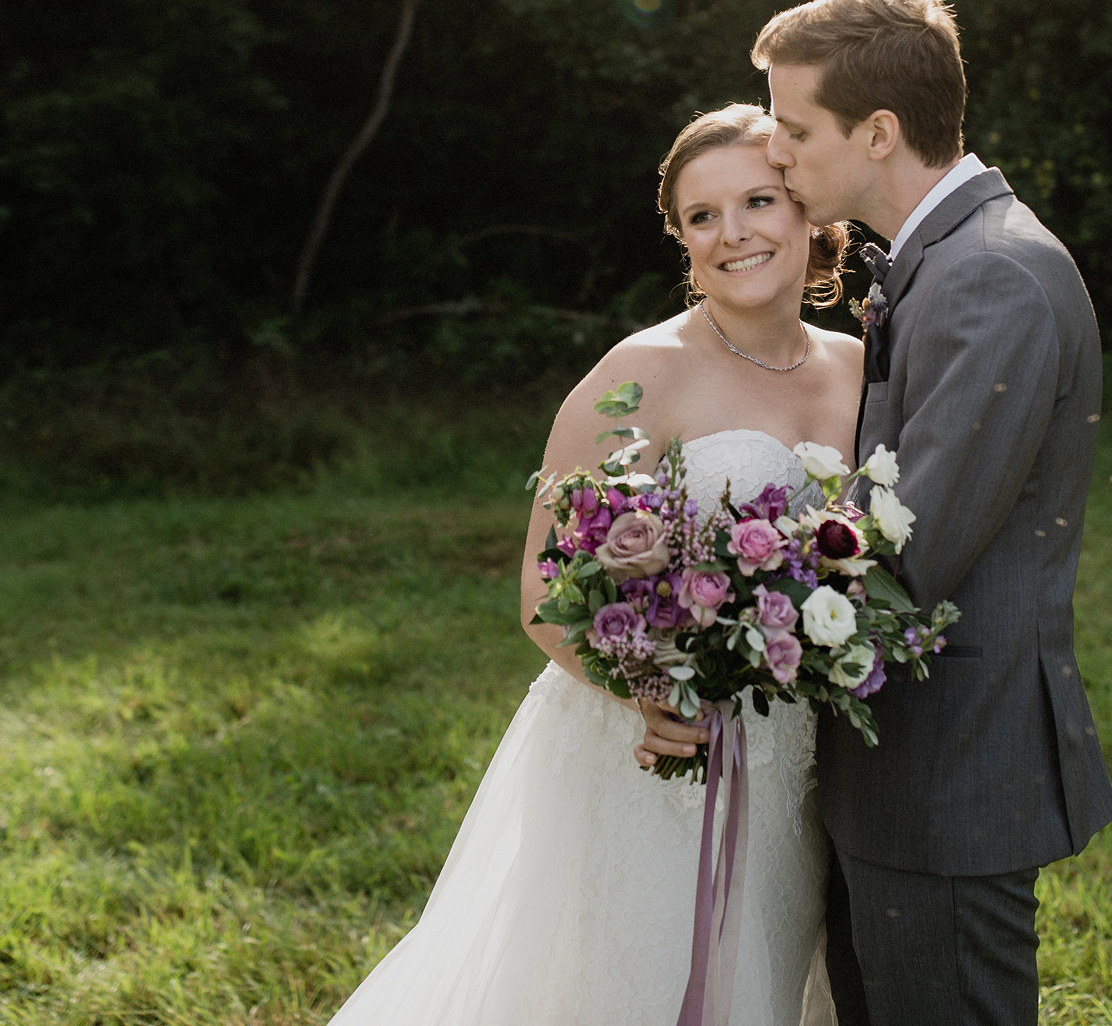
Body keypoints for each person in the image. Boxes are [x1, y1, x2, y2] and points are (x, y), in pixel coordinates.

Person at [650, 0, 1112, 1026]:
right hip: (904, 764)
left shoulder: (988, 276)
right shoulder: (939, 263)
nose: (774, 152)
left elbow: (909, 554)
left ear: (875, 132)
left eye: (792, 127)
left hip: (948, 774)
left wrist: (705, 629)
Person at [325, 105, 856, 1026]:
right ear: (682, 240)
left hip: (802, 760)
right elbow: (542, 586)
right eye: (702, 216)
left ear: (808, 209)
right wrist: (647, 686)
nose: (733, 233)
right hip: (654, 756)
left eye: (759, 200)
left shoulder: (860, 368)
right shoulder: (643, 371)